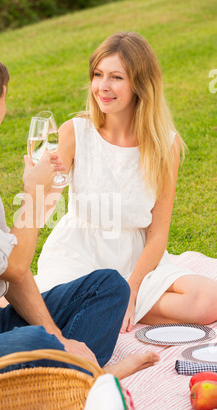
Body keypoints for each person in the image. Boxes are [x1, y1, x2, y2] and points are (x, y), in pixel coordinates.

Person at [0, 44, 159, 409]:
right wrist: (34, 193)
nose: (6, 108)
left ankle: (56, 375)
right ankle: (86, 378)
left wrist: (54, 333)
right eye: (2, 99)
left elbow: (11, 272)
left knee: (109, 287)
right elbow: (14, 263)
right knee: (33, 345)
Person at [35, 31, 217, 333]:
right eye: (98, 75)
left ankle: (107, 308)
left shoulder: (164, 145)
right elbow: (43, 207)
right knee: (50, 311)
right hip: (80, 253)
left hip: (135, 259)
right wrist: (40, 180)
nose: (102, 87)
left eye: (116, 78)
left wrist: (131, 289)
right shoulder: (75, 133)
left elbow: (157, 235)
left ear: (140, 85)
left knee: (208, 300)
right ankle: (101, 307)